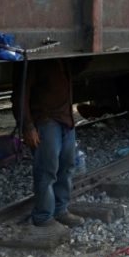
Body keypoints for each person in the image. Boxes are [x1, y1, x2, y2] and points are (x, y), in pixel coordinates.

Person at [12, 59, 84, 230]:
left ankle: (60, 210)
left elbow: (81, 64)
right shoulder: (34, 58)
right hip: (46, 120)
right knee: (47, 171)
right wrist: (28, 126)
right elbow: (20, 95)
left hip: (66, 119)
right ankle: (43, 217)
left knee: (66, 167)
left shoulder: (64, 58)